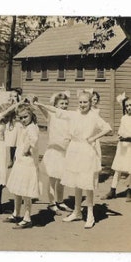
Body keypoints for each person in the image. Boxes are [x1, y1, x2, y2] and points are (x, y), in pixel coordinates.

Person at [35, 90, 112, 229]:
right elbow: (56, 111)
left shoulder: (94, 116)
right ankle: (77, 212)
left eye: (85, 102)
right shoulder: (74, 114)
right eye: (81, 102)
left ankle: (90, 215)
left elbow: (108, 128)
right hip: (74, 151)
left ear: (90, 103)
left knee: (87, 185)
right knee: (77, 183)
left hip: (87, 151)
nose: (83, 105)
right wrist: (40, 104)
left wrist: (93, 138)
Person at [37, 91, 72, 215]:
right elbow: (43, 109)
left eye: (66, 103)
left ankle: (60, 201)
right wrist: (38, 103)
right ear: (56, 104)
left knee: (62, 178)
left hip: (65, 151)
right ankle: (52, 203)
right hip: (54, 151)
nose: (64, 106)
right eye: (61, 103)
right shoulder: (51, 115)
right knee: (52, 177)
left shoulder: (68, 116)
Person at [6, 102, 40, 229]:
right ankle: (16, 213)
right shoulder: (25, 127)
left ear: (31, 115)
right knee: (18, 189)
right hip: (21, 162)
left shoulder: (32, 127)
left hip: (28, 162)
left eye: (25, 117)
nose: (23, 120)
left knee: (25, 190)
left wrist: (26, 149)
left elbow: (34, 140)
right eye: (20, 118)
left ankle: (27, 218)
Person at [101, 92, 131, 202]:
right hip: (122, 146)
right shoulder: (124, 118)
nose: (129, 107)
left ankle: (129, 191)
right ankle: (112, 191)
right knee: (118, 169)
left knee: (130, 169)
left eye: (130, 105)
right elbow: (121, 132)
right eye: (127, 106)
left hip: (130, 146)